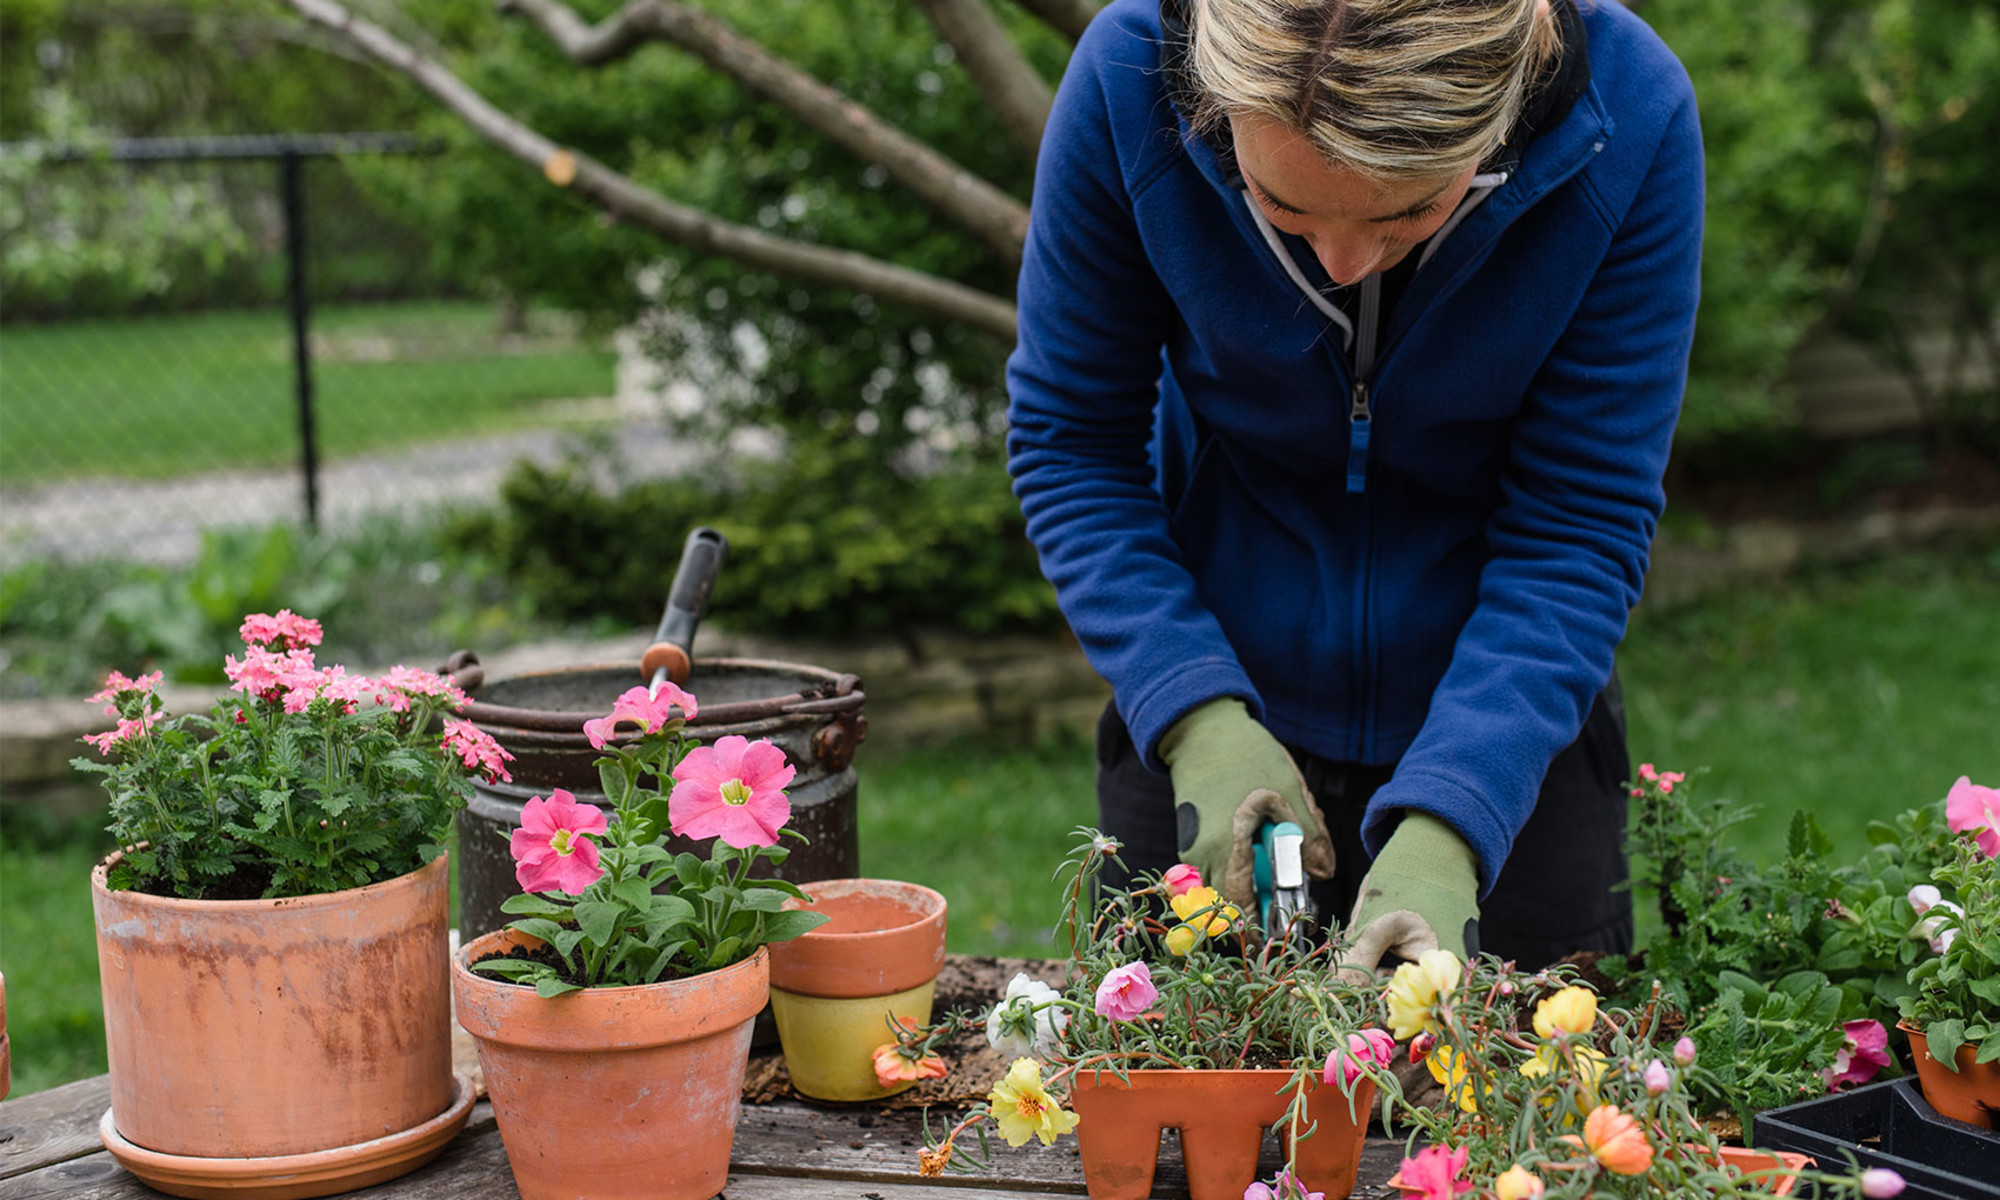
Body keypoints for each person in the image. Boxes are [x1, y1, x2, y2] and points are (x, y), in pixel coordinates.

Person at [1005, 0, 1703, 973]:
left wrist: (1460, 812)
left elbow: (1577, 525)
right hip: (1206, 685)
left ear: (1503, 116)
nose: (1338, 263)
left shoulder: (1628, 115)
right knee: (1180, 1096)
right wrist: (1191, 712)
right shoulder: (1129, 79)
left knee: (1515, 1105)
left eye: (1407, 212)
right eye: (1280, 208)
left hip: (1513, 715)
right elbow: (1074, 443)